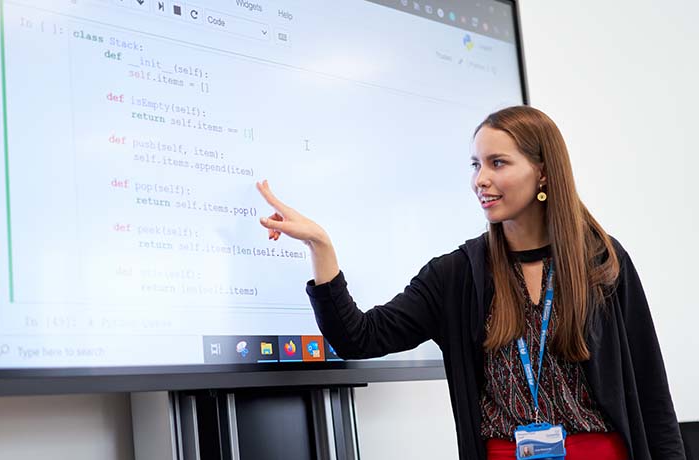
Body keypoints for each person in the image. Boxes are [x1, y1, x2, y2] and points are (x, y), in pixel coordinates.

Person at [255, 105, 685, 460]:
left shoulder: (602, 260)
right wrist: (321, 247)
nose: (480, 179)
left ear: (543, 173)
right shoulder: (457, 274)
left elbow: (651, 391)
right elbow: (357, 338)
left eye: (498, 163)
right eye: (476, 164)